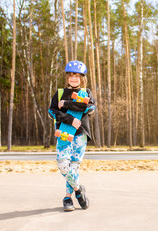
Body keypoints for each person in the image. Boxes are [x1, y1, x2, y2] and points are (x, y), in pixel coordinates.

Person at [48, 60, 95, 212]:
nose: (73, 79)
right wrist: (70, 119)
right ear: (67, 77)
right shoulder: (60, 93)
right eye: (71, 76)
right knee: (63, 165)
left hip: (80, 134)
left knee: (73, 166)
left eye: (77, 76)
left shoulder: (86, 93)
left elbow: (89, 108)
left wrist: (67, 104)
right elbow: (52, 111)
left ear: (82, 78)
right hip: (64, 132)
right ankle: (78, 190)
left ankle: (68, 197)